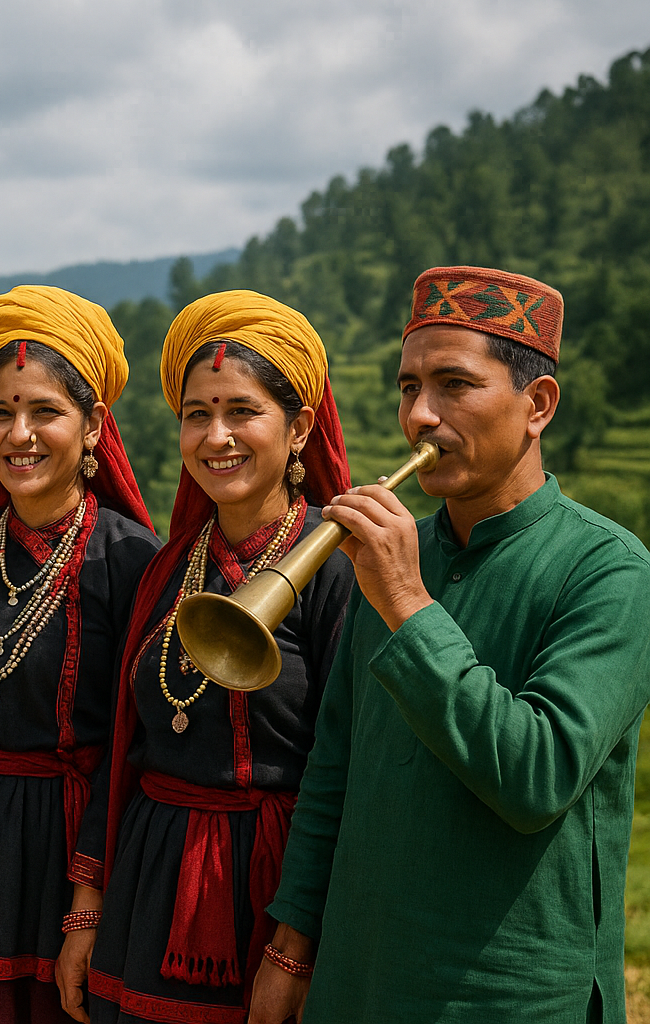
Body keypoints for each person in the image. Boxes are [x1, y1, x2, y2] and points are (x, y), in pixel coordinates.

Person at [250, 267, 650, 1024]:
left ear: (537, 406)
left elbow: (535, 775)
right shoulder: (402, 556)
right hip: (356, 983)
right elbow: (335, 762)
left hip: (513, 998)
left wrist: (406, 601)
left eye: (454, 386)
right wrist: (292, 949)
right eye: (408, 389)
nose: (420, 417)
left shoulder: (612, 572)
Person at [67, 291, 356, 1024]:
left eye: (241, 411)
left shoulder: (336, 566)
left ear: (298, 429)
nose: (216, 436)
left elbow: (346, 766)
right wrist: (87, 906)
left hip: (271, 890)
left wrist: (295, 945)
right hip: (150, 884)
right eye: (197, 414)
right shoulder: (166, 571)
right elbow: (125, 747)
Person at [0, 286, 161, 1024]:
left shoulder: (130, 561)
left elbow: (127, 747)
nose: (19, 434)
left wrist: (88, 904)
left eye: (44, 411)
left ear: (93, 428)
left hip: (64, 848)